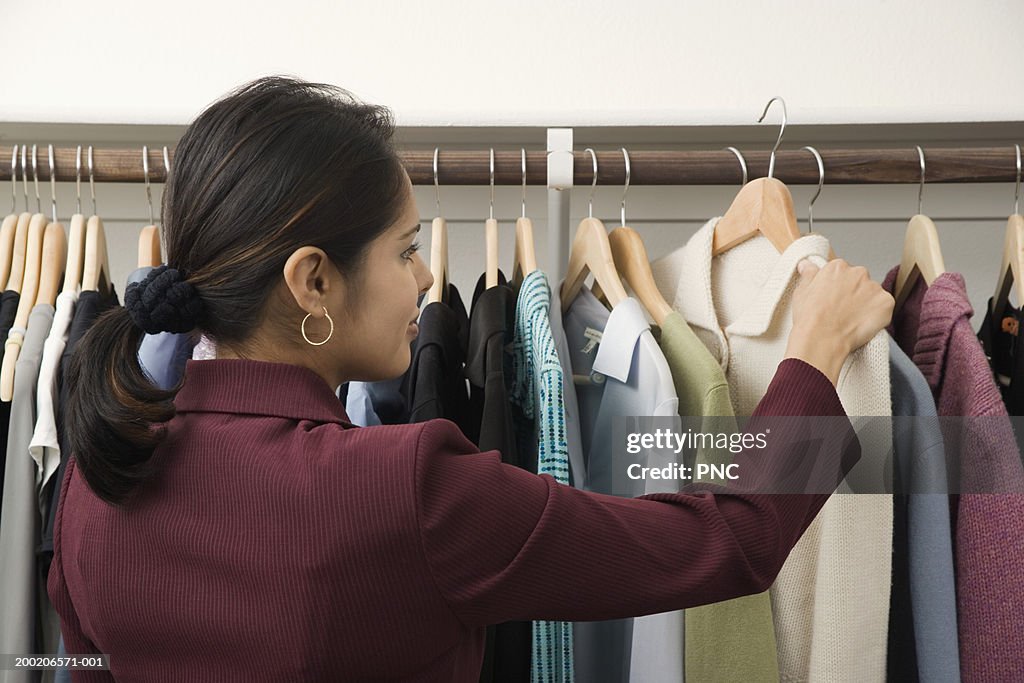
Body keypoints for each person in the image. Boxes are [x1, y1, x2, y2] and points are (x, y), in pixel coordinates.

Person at [48, 76, 894, 682]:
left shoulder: (99, 472)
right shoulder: (403, 491)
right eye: (407, 250)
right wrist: (811, 360)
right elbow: (728, 543)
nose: (425, 282)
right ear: (313, 281)